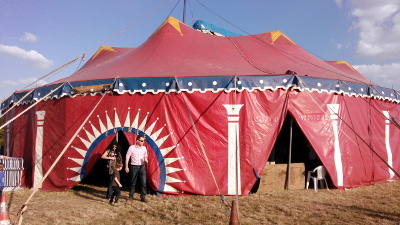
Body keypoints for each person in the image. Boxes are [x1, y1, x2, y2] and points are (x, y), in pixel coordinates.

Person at [125, 135, 148, 202]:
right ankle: (131, 196)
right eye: (141, 141)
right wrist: (126, 166)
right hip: (134, 167)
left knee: (143, 182)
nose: (142, 142)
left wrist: (146, 160)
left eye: (143, 141)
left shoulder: (144, 148)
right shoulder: (131, 148)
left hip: (142, 166)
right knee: (133, 182)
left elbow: (145, 156)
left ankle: (143, 197)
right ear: (137, 140)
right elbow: (127, 157)